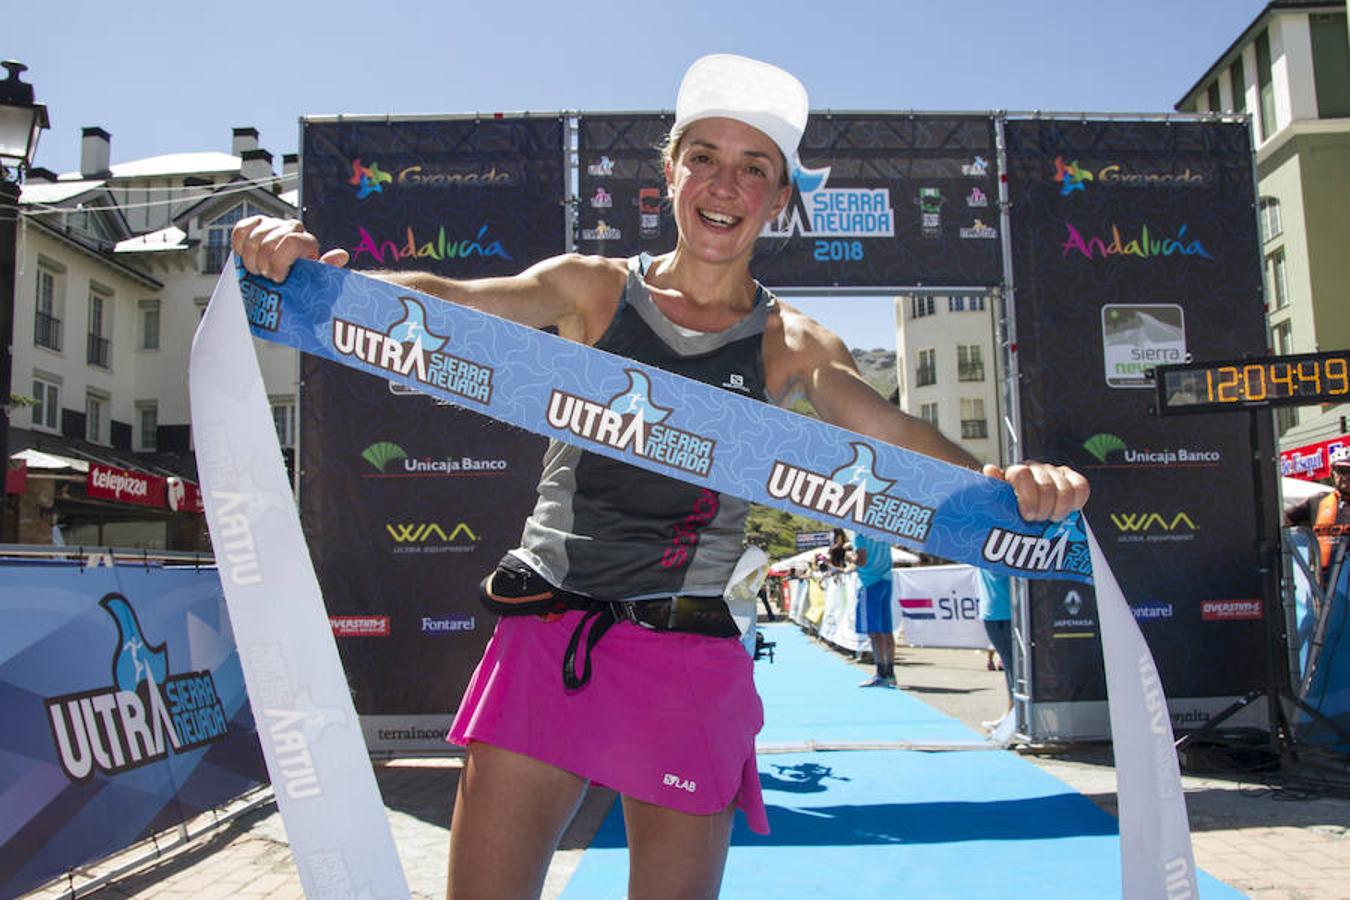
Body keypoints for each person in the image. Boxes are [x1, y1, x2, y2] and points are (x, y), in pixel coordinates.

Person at [232, 53, 1089, 900]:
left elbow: (893, 434)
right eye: (705, 160)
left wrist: (1011, 491)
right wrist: (317, 284)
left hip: (685, 660)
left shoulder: (793, 343)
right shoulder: (592, 290)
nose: (725, 186)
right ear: (670, 175)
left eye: (754, 169)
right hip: (549, 632)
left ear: (780, 197)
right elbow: (451, 303)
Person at [1284, 455, 1350, 592]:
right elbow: (1283, 519)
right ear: (1333, 475)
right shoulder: (1318, 501)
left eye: (1348, 471)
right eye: (1340, 471)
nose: (1344, 476)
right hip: (1322, 579)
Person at [852, 530, 898, 687]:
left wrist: (849, 557)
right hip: (886, 579)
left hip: (869, 582)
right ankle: (890, 673)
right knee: (886, 630)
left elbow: (861, 560)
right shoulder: (883, 530)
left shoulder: (860, 533)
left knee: (874, 632)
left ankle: (881, 673)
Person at [977, 568, 1014, 719]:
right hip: (996, 612)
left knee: (1012, 665)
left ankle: (1012, 713)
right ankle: (1012, 712)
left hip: (1001, 613)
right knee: (1010, 665)